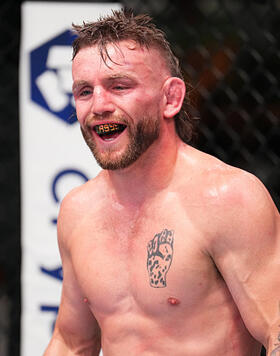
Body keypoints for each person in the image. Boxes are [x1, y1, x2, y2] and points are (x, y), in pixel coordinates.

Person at [44, 8, 280, 356]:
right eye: (84, 91)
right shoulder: (78, 210)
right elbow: (71, 342)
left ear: (170, 98)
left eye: (119, 86)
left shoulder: (229, 198)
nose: (99, 105)